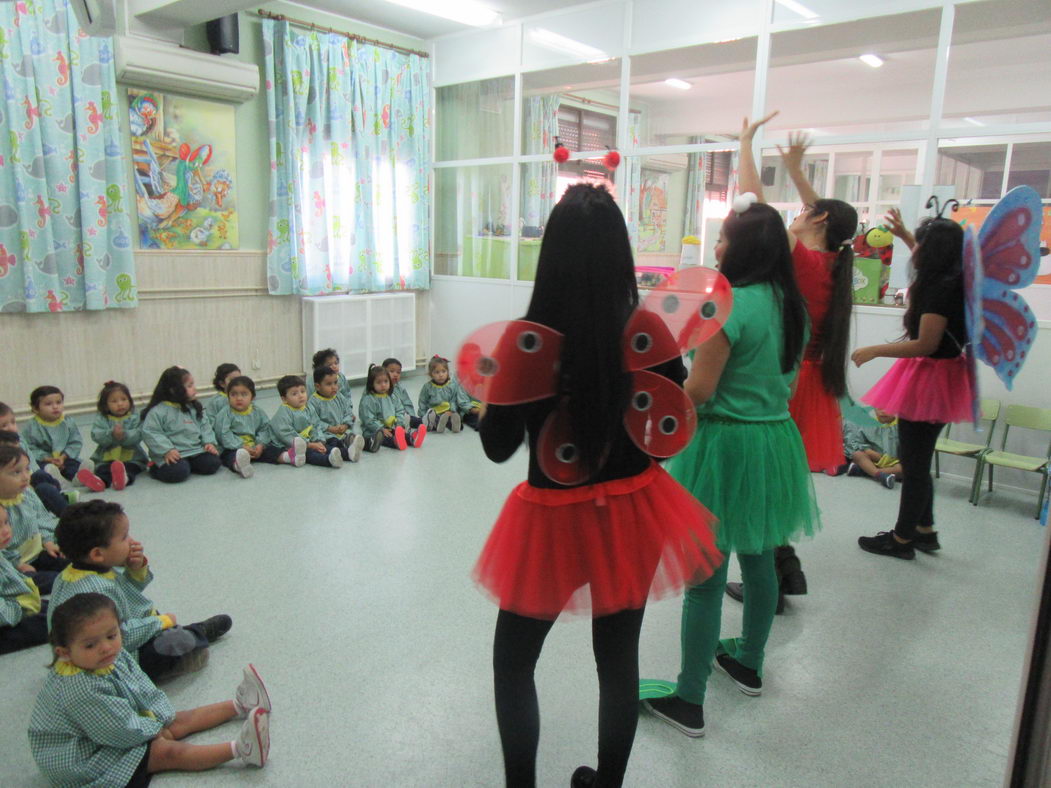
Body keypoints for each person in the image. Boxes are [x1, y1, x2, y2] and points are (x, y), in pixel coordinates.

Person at [475, 184, 720, 787]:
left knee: (513, 664)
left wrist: (494, 402)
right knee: (618, 661)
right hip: (633, 511)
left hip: (551, 518)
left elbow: (498, 446)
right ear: (621, 254)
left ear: (550, 253)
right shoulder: (649, 333)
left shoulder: (523, 341)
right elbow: (669, 428)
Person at [642, 195, 819, 738]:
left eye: (722, 238)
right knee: (760, 558)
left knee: (704, 580)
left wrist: (653, 405)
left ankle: (689, 699)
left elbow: (700, 390)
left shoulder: (728, 308)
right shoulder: (792, 308)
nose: (715, 246)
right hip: (773, 440)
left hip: (723, 447)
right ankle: (749, 660)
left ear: (742, 248)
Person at [731, 115, 858, 606]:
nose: (799, 212)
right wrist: (796, 169)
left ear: (818, 220)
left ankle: (776, 573)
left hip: (788, 384)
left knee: (762, 483)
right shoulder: (831, 264)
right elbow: (823, 215)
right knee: (774, 480)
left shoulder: (803, 261)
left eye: (806, 210)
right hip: (810, 382)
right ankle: (784, 565)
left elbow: (753, 210)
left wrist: (745, 145)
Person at [29, 594, 270, 786]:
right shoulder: (79, 690)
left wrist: (160, 717)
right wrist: (152, 733)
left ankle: (242, 704)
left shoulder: (111, 654)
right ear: (65, 653)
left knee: (176, 719)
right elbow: (116, 729)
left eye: (112, 635)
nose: (105, 647)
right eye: (90, 644)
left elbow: (141, 685)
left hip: (109, 728)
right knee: (165, 753)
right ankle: (240, 750)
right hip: (84, 759)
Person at [853, 212, 971, 559]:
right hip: (942, 375)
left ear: (930, 253)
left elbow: (925, 344)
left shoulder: (938, 290)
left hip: (931, 377)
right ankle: (925, 530)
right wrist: (905, 234)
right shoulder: (955, 277)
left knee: (914, 465)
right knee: (918, 459)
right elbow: (926, 255)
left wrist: (875, 350)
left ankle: (902, 539)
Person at [50, 500, 231, 681]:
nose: (132, 541)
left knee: (166, 629)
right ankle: (197, 632)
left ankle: (183, 632)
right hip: (110, 657)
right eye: (124, 537)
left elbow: (128, 593)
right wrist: (161, 622)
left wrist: (136, 568)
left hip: (126, 631)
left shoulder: (75, 573)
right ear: (97, 554)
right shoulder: (96, 590)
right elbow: (120, 636)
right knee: (176, 644)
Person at [0, 444, 67, 594]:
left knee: (72, 563)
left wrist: (48, 541)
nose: (26, 476)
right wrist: (17, 565)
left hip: (38, 552)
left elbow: (42, 519)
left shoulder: (27, 494)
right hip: (10, 567)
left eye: (27, 469)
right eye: (16, 472)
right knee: (52, 581)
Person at [141, 367, 222, 484]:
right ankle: (154, 468)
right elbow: (151, 432)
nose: (195, 388)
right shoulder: (158, 411)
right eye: (189, 386)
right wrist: (167, 450)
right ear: (174, 390)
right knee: (178, 472)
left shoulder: (194, 407)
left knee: (213, 463)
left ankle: (188, 464)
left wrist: (209, 443)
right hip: (172, 455)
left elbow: (205, 426)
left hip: (195, 451)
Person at [23, 385, 103, 490]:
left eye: (58, 402)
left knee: (74, 466)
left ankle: (79, 478)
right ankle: (57, 481)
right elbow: (28, 447)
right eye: (48, 404)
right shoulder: (31, 426)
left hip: (65, 458)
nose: (55, 407)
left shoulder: (68, 422)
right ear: (35, 408)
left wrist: (63, 457)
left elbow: (75, 441)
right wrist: (47, 458)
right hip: (43, 460)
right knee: (44, 471)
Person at [0, 405, 73, 516]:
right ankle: (65, 506)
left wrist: (29, 478)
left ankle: (60, 495)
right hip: (13, 489)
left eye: (13, 422)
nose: (11, 428)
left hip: (27, 481)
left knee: (41, 475)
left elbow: (31, 465)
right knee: (45, 490)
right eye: (4, 425)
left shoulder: (19, 441)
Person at [211, 376, 286, 478]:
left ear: (252, 397)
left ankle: (287, 457)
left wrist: (260, 445)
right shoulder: (225, 414)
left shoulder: (257, 411)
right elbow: (223, 434)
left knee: (272, 449)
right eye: (233, 394)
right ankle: (240, 466)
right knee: (229, 456)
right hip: (233, 447)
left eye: (244, 394)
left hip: (254, 446)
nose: (239, 398)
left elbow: (265, 428)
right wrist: (241, 446)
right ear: (228, 396)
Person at [0, 505, 49, 654]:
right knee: (53, 624)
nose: (6, 530)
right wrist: (21, 609)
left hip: (13, 603)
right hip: (6, 618)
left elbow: (7, 555)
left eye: (6, 522)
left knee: (56, 608)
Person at [268, 375, 345, 468]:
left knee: (325, 447)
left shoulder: (308, 407)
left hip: (309, 441)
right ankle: (329, 460)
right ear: (284, 399)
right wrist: (310, 445)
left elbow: (316, 425)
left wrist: (319, 440)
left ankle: (347, 453)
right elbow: (286, 435)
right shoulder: (284, 412)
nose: (300, 396)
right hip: (290, 445)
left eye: (303, 391)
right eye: (294, 394)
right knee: (309, 454)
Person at [89, 381, 148, 490]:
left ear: (130, 400)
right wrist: (111, 434)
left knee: (130, 469)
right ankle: (99, 482)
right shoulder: (102, 418)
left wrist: (124, 435)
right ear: (105, 405)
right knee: (103, 469)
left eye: (124, 399)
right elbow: (96, 434)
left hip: (133, 458)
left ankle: (124, 479)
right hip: (106, 458)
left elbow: (139, 434)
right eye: (114, 401)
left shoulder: (135, 417)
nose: (120, 404)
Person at [359, 365, 426, 452]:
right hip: (374, 431)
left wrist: (399, 424)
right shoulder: (368, 399)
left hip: (391, 427)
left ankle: (413, 438)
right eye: (379, 382)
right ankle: (396, 442)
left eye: (386, 381)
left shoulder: (392, 395)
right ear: (372, 384)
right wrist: (380, 428)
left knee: (401, 433)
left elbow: (399, 410)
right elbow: (368, 419)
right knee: (384, 438)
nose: (383, 385)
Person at [309, 366, 365, 463]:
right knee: (333, 444)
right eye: (329, 384)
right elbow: (314, 422)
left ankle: (367, 443)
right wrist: (330, 428)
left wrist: (346, 425)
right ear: (318, 386)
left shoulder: (339, 396)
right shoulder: (313, 402)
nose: (334, 387)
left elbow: (348, 412)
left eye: (335, 383)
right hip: (327, 435)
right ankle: (348, 453)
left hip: (343, 431)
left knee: (353, 436)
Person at [417, 355, 481, 433]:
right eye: (437, 372)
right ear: (431, 374)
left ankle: (444, 425)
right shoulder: (427, 387)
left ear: (447, 372)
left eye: (443, 371)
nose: (441, 375)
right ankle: (435, 424)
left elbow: (453, 399)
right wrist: (423, 414)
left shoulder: (452, 386)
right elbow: (422, 401)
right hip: (433, 412)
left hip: (447, 412)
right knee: (427, 421)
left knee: (458, 424)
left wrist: (452, 410)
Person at [843, 408, 902, 489]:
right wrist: (867, 450)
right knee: (857, 455)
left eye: (888, 407)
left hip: (894, 462)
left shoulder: (901, 425)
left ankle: (865, 472)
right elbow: (855, 441)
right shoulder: (867, 422)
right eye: (880, 408)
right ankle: (879, 474)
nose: (883, 411)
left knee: (903, 469)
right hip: (872, 459)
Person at [383, 357, 424, 430]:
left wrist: (411, 415)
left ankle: (432, 422)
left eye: (398, 372)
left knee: (417, 421)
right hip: (388, 418)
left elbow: (407, 403)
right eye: (392, 371)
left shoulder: (400, 389)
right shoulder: (379, 389)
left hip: (402, 416)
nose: (395, 375)